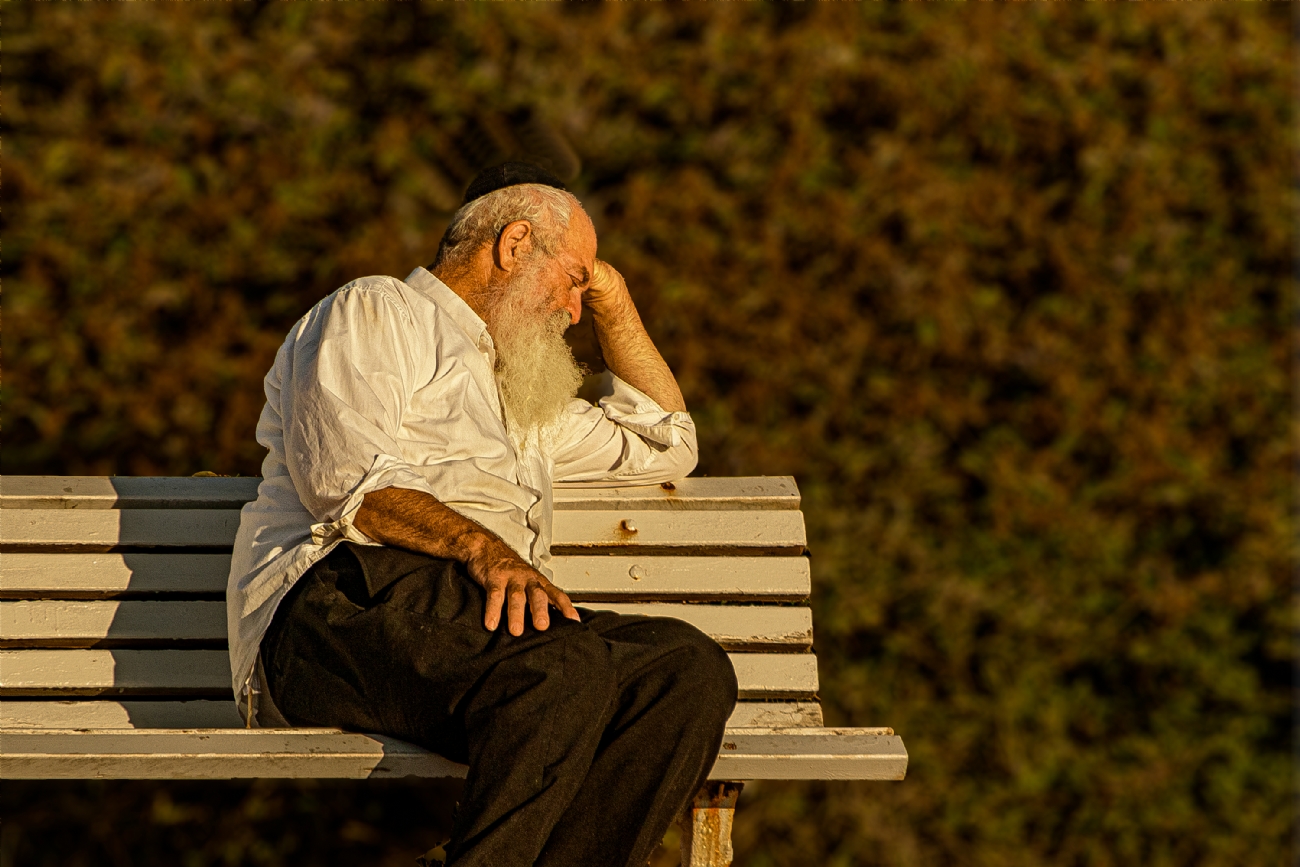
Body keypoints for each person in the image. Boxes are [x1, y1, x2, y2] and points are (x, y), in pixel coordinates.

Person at [225, 161, 738, 867]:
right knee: (561, 669)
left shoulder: (524, 390)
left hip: (481, 627)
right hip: (334, 609)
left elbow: (669, 444)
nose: (575, 310)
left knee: (685, 671)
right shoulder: (377, 310)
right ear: (514, 243)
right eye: (574, 280)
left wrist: (616, 303)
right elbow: (348, 483)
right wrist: (484, 549)